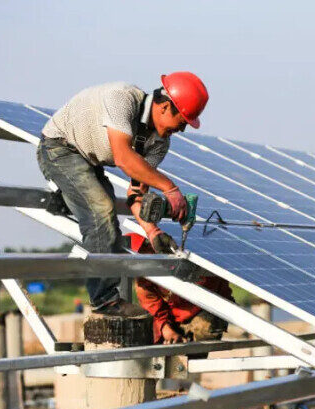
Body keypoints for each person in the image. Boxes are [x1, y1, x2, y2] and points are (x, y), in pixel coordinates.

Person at [36, 73, 208, 317]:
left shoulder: (159, 143)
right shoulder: (123, 99)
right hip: (59, 148)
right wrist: (170, 189)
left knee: (108, 221)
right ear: (165, 106)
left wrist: (152, 231)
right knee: (100, 212)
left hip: (88, 162)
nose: (182, 129)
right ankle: (104, 301)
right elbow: (123, 157)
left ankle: (108, 296)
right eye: (182, 121)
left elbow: (136, 192)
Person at [128, 233, 234, 344]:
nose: (143, 256)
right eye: (140, 253)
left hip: (204, 310)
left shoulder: (193, 254)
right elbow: (152, 305)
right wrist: (165, 328)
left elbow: (219, 292)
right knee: (151, 338)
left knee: (204, 329)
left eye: (145, 250)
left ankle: (193, 357)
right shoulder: (145, 276)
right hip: (172, 317)